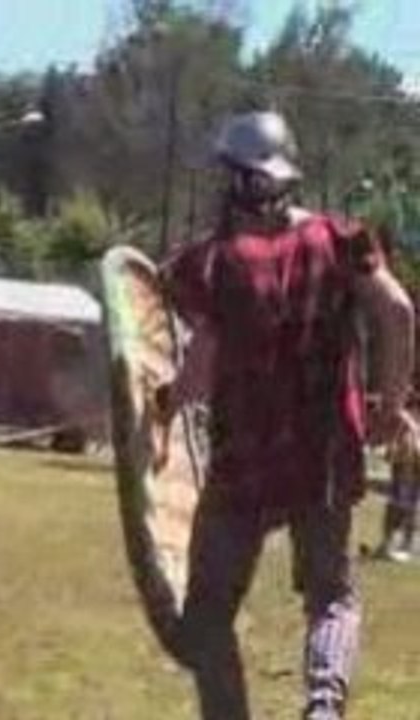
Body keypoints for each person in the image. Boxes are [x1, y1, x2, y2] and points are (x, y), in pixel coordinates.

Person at [153, 111, 415, 720]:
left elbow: (202, 364)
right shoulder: (338, 240)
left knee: (209, 612)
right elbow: (398, 312)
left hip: (244, 461)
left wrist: (160, 404)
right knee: (331, 598)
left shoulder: (216, 262)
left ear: (240, 179)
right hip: (324, 458)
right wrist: (392, 403)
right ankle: (324, 707)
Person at [375, 401, 420, 563]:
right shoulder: (405, 420)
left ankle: (401, 545)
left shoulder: (406, 420)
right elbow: (393, 450)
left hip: (408, 469)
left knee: (405, 507)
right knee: (402, 506)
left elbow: (393, 450)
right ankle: (393, 545)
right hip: (404, 468)